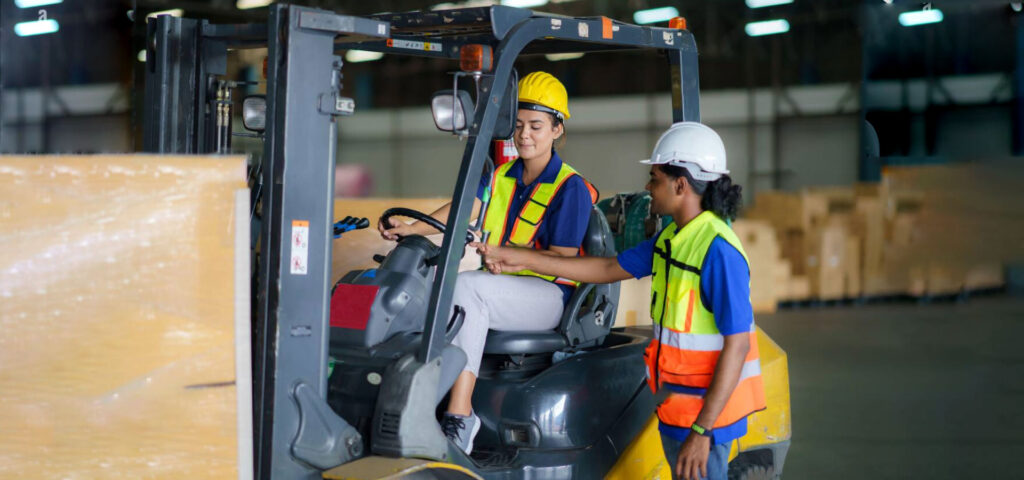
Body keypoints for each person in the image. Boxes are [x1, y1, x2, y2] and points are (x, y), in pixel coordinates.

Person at [474, 122, 766, 480]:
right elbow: (607, 268)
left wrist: (702, 432)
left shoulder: (718, 251)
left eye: (654, 178)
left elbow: (737, 346)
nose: (647, 188)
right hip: (679, 411)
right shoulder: (673, 238)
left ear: (681, 185)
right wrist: (522, 258)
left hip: (707, 421)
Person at [377, 71, 598, 454]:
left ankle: (461, 415)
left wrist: (512, 262)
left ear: (557, 129)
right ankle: (411, 396)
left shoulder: (570, 187)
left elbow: (563, 260)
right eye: (518, 125)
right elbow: (464, 209)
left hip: (549, 295)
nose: (524, 135)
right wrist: (411, 228)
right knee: (431, 281)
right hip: (504, 287)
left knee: (468, 287)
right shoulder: (501, 176)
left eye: (536, 126)